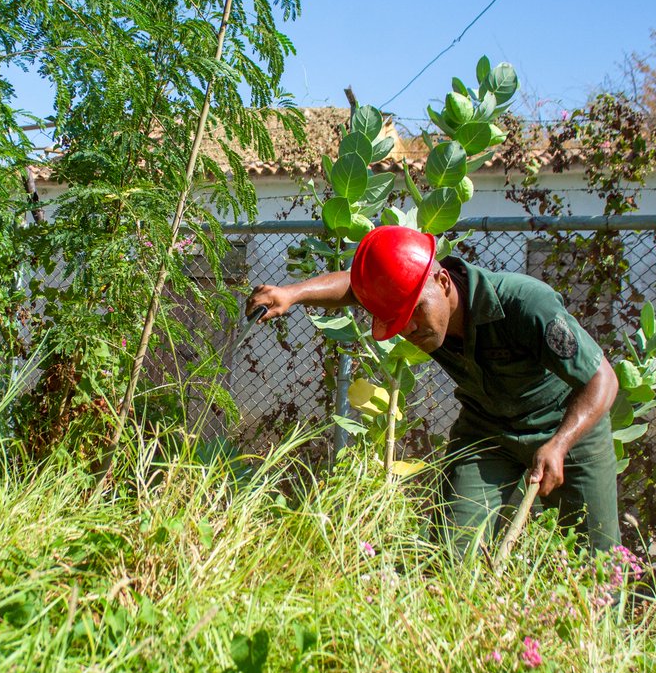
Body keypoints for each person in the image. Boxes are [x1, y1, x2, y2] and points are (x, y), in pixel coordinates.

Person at [247, 224, 621, 554]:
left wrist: (560, 443)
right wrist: (292, 294)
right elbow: (356, 286)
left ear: (442, 282)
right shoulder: (417, 300)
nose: (410, 330)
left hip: (568, 428)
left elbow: (601, 379)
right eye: (398, 321)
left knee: (598, 562)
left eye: (416, 311)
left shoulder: (525, 303)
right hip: (487, 431)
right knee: (451, 551)